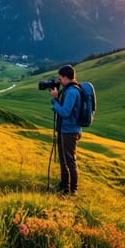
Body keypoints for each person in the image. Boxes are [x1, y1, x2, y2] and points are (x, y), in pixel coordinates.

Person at [49, 64, 82, 195]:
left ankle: (72, 190)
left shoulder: (72, 92)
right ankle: (64, 185)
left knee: (69, 161)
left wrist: (55, 101)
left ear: (65, 77)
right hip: (68, 129)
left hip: (68, 131)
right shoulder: (72, 90)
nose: (59, 81)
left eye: (60, 78)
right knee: (64, 160)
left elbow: (65, 112)